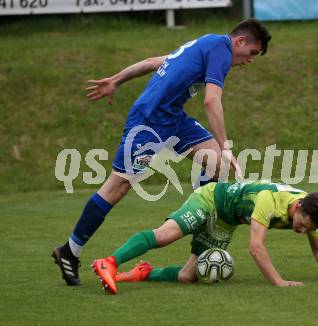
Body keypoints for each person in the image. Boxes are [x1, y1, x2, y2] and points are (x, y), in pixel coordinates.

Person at [52, 19, 272, 286]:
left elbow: (151, 62)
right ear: (239, 41)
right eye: (251, 53)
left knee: (220, 168)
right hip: (149, 121)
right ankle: (70, 251)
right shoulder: (221, 51)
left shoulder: (207, 43)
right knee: (118, 187)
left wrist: (117, 80)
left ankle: (198, 243)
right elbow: (211, 99)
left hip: (173, 118)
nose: (249, 61)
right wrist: (226, 145)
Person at [92, 181, 318, 294]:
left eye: (306, 228)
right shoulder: (270, 201)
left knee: (189, 276)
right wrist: (279, 282)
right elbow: (256, 247)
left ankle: (142, 273)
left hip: (226, 220)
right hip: (210, 199)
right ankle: (110, 261)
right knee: (167, 235)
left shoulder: (312, 214)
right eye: (301, 225)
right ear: (298, 207)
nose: (301, 231)